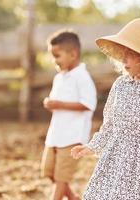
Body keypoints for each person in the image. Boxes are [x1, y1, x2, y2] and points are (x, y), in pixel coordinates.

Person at [71, 18, 140, 200]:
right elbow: (109, 124)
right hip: (114, 156)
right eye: (123, 52)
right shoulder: (120, 85)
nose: (123, 58)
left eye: (131, 53)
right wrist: (93, 146)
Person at [40, 30, 97, 200]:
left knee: (61, 178)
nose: (54, 60)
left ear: (73, 54)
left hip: (72, 137)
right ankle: (73, 198)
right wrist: (51, 104)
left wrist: (59, 104)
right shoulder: (59, 78)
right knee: (49, 171)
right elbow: (57, 102)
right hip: (56, 134)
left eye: (57, 55)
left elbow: (88, 104)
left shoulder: (82, 77)